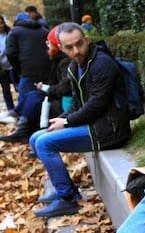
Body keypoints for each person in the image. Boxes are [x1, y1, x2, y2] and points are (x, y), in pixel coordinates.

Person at [27, 22, 131, 218]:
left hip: (109, 130)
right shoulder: (75, 65)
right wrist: (61, 118)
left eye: (79, 44)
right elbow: (76, 101)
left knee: (44, 143)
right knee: (35, 138)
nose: (76, 51)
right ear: (61, 47)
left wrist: (66, 123)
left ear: (87, 40)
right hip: (93, 124)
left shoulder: (101, 63)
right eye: (69, 47)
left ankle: (67, 199)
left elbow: (96, 104)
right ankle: (67, 190)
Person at [0, 25, 71, 143]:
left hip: (65, 102)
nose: (47, 47)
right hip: (61, 98)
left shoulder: (64, 62)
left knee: (35, 100)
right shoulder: (59, 60)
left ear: (57, 46)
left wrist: (45, 88)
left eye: (49, 44)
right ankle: (23, 130)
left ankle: (28, 132)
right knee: (32, 95)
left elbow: (65, 87)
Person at [6, 12, 50, 104]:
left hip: (27, 70)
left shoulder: (14, 31)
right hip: (47, 69)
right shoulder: (44, 30)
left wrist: (19, 71)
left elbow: (10, 53)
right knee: (45, 98)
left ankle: (24, 116)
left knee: (24, 101)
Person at [0, 15, 16, 123]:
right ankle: (11, 109)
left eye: (1, 23)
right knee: (6, 89)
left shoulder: (10, 33)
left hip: (12, 65)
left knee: (18, 86)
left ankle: (21, 109)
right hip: (1, 67)